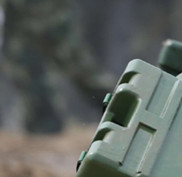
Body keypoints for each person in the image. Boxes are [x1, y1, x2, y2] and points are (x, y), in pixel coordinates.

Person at [2, 0, 113, 133]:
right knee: (26, 72)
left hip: (47, 10)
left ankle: (118, 107)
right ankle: (45, 128)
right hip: (14, 15)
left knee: (78, 65)